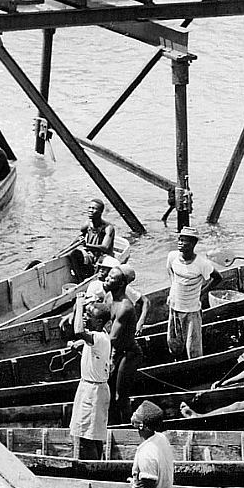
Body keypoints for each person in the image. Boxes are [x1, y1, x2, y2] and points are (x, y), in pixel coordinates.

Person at [165, 226, 222, 361]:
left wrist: (202, 292)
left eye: (184, 241)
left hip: (191, 309)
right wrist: (173, 289)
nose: (180, 242)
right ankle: (177, 362)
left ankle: (195, 365)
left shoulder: (201, 263)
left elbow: (218, 277)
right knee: (173, 341)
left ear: (193, 244)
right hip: (174, 305)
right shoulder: (172, 256)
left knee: (193, 347)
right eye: (180, 239)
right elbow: (171, 272)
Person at [103, 265, 148, 424]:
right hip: (114, 353)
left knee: (119, 396)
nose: (107, 279)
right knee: (108, 393)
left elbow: (112, 338)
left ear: (121, 284)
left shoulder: (125, 307)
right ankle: (112, 425)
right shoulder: (109, 298)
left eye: (112, 278)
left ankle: (127, 427)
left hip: (128, 354)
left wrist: (85, 341)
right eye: (107, 276)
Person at [68, 300, 112, 461]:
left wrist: (79, 303)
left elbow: (78, 330)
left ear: (99, 321)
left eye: (89, 316)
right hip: (91, 388)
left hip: (93, 392)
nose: (85, 317)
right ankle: (97, 465)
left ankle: (93, 469)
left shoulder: (99, 338)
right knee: (93, 435)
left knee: (88, 437)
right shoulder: (97, 337)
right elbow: (81, 333)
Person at [70, 197, 116, 279]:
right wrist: (68, 248)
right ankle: (81, 279)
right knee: (73, 254)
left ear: (101, 212)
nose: (90, 210)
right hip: (91, 254)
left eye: (94, 208)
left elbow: (105, 248)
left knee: (100, 263)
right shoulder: (87, 224)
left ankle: (89, 277)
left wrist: (86, 245)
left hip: (103, 256)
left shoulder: (108, 228)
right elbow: (78, 239)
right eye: (90, 207)